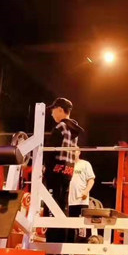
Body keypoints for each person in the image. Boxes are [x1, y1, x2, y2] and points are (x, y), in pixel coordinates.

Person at [44, 97, 84, 243]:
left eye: (53, 110)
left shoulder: (60, 127)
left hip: (55, 170)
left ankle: (52, 243)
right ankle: (63, 242)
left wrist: (45, 167)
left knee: (51, 206)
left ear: (60, 110)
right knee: (63, 206)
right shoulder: (74, 128)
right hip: (68, 170)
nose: (52, 113)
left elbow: (50, 151)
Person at [67, 149, 95, 240]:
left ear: (79, 152)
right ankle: (69, 246)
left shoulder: (85, 164)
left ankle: (82, 243)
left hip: (81, 200)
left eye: (75, 150)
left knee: (82, 226)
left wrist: (86, 191)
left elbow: (91, 180)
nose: (73, 152)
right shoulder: (68, 165)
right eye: (72, 150)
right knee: (70, 227)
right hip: (70, 201)